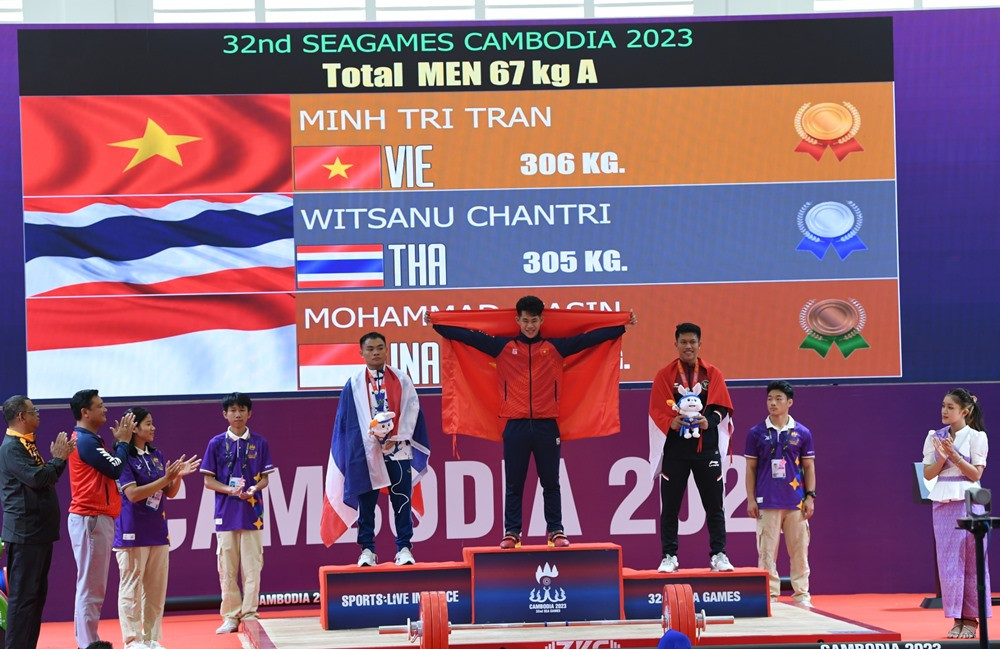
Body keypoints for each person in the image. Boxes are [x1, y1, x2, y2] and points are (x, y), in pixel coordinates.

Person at [427, 295, 635, 549]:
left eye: (534, 321)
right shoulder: (502, 347)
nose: (529, 326)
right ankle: (512, 532)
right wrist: (438, 324)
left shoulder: (555, 348)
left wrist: (620, 326)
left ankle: (556, 530)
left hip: (547, 426)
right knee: (514, 483)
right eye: (525, 321)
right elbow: (469, 337)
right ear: (517, 320)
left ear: (541, 321)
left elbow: (588, 339)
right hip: (515, 426)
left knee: (551, 482)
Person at [327, 332, 430, 567]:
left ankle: (404, 548)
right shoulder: (353, 383)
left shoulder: (402, 378)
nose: (375, 352)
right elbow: (346, 421)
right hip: (367, 452)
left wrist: (397, 436)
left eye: (380, 347)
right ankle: (367, 550)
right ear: (361, 352)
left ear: (386, 350)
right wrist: (369, 437)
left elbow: (412, 410)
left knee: (401, 499)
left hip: (398, 448)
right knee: (366, 502)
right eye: (370, 348)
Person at [649, 323, 735, 573]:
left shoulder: (712, 374)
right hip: (675, 451)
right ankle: (669, 556)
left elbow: (722, 407)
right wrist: (671, 421)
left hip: (705, 449)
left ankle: (719, 554)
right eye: (683, 342)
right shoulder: (665, 375)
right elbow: (656, 408)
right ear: (675, 344)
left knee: (714, 505)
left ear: (700, 344)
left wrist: (710, 421)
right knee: (670, 507)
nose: (688, 346)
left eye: (692, 342)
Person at [114, 407, 201, 649]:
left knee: (155, 590)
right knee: (131, 587)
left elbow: (168, 493)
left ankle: (151, 638)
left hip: (157, 530)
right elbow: (132, 494)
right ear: (134, 428)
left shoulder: (156, 455)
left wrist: (177, 476)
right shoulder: (123, 458)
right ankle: (132, 640)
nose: (153, 428)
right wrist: (165, 479)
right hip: (132, 531)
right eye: (148, 424)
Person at [0, 395, 74, 649]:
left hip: (38, 534)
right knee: (23, 600)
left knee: (35, 598)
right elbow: (37, 478)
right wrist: (58, 459)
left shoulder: (26, 444)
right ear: (21, 416)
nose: (38, 414)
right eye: (34, 410)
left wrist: (58, 460)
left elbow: (44, 478)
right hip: (25, 534)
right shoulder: (11, 448)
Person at [201, 392, 275, 635]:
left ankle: (250, 614)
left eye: (242, 409)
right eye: (232, 410)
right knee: (227, 568)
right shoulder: (215, 443)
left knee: (252, 566)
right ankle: (231, 616)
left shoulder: (260, 442)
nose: (238, 414)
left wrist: (254, 488)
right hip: (226, 513)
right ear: (225, 414)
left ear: (249, 413)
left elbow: (264, 479)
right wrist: (230, 490)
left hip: (253, 512)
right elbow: (208, 481)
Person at [68, 389, 134, 649]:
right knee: (91, 587)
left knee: (91, 585)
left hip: (94, 518)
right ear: (85, 412)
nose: (105, 409)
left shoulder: (90, 440)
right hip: (91, 517)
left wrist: (118, 446)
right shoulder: (85, 441)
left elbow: (110, 466)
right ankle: (88, 644)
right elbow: (115, 468)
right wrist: (124, 443)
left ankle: (87, 641)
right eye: (100, 406)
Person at [922, 388, 989, 639]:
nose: (944, 411)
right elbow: (928, 474)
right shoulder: (934, 437)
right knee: (948, 563)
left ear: (965, 411)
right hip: (942, 501)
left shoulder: (976, 437)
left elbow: (976, 474)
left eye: (950, 407)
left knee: (971, 560)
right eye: (943, 406)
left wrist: (955, 456)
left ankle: (971, 619)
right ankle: (957, 619)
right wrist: (941, 459)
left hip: (968, 501)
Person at [744, 381, 816, 605]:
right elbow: (750, 469)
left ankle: (801, 593)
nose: (773, 403)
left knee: (799, 550)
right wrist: (751, 499)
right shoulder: (756, 433)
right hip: (767, 501)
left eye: (778, 399)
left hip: (796, 501)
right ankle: (770, 595)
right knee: (766, 552)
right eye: (769, 399)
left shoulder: (802, 432)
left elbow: (809, 466)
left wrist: (810, 496)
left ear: (789, 402)